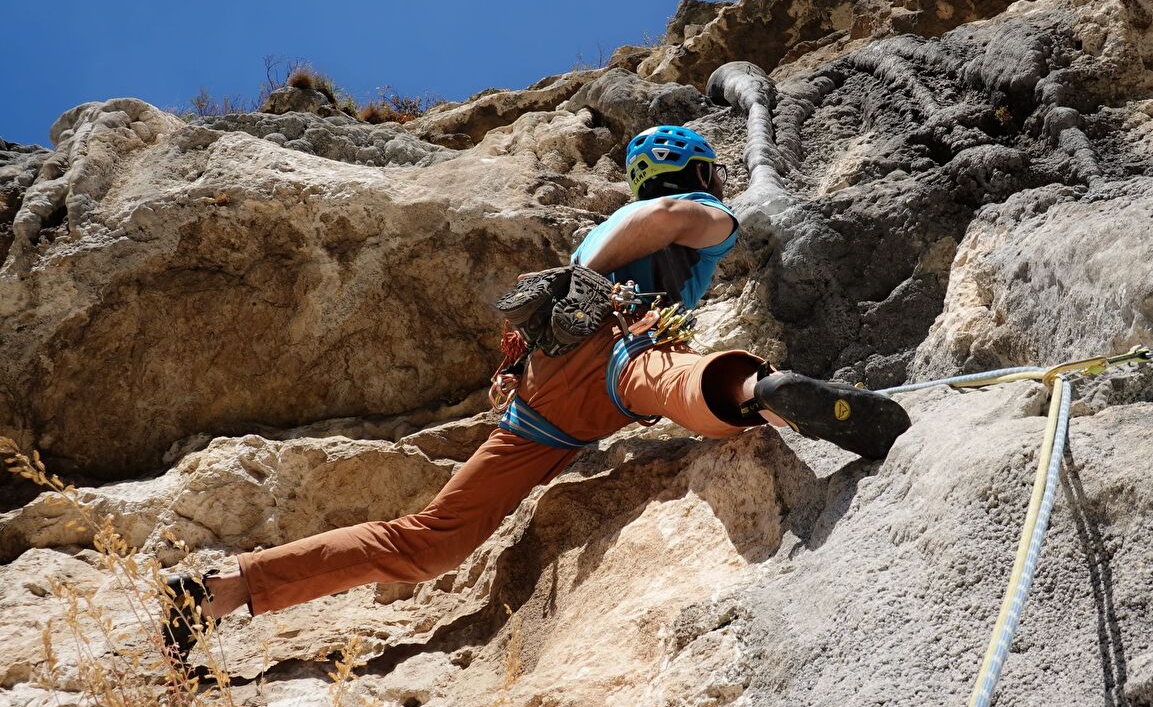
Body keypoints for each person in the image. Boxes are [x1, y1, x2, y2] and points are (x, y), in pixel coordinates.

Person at [162, 125, 910, 656]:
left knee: (432, 541)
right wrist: (599, 276)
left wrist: (577, 280)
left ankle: (223, 592)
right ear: (704, 173)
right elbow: (671, 215)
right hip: (613, 350)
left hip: (542, 404)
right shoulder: (699, 213)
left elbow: (624, 230)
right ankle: (760, 390)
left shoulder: (595, 231)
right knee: (674, 379)